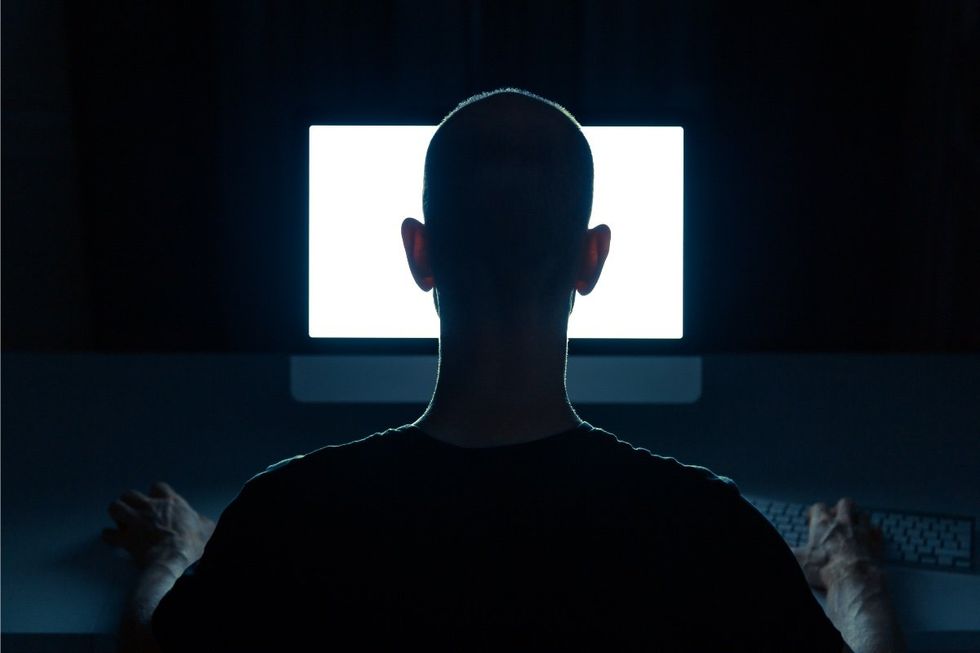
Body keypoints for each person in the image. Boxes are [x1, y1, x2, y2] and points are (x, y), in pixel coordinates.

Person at [104, 88, 905, 652]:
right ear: (593, 259)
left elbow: (154, 646)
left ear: (418, 253)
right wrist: (854, 575)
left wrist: (175, 551)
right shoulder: (710, 532)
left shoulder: (283, 519)